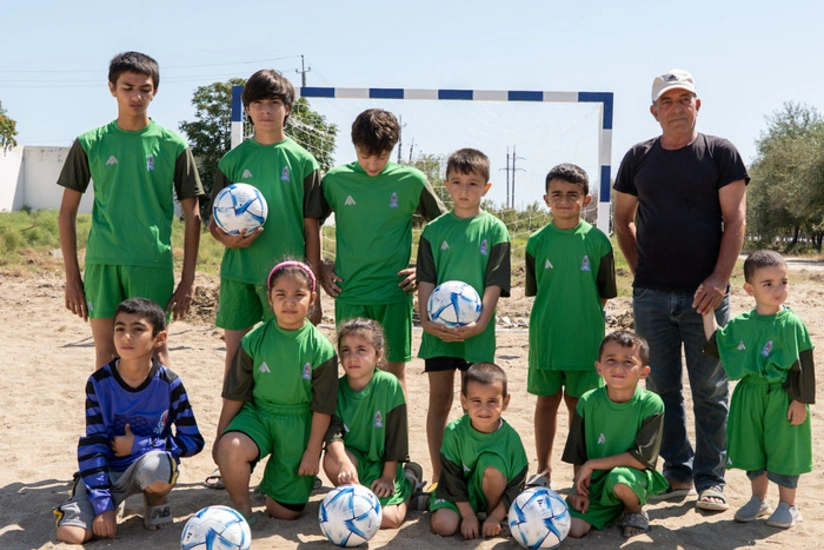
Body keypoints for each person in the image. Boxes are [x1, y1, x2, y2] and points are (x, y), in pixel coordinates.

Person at [613, 69, 749, 510]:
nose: (676, 108)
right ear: (654, 111)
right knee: (660, 388)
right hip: (651, 298)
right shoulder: (638, 158)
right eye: (667, 101)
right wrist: (641, 271)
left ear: (698, 105)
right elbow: (622, 219)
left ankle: (712, 479)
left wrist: (719, 278)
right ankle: (677, 471)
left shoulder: (720, 153)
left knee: (710, 388)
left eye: (684, 99)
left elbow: (736, 219)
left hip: (706, 298)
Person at [57, 51, 204, 370]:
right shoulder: (90, 143)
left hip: (151, 262)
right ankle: (105, 408)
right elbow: (66, 212)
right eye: (127, 88)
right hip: (103, 262)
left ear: (155, 91)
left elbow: (193, 216)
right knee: (107, 354)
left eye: (145, 89)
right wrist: (72, 277)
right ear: (112, 88)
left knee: (155, 353)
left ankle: (163, 408)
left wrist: (188, 281)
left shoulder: (173, 145)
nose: (136, 96)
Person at [209, 69, 324, 394]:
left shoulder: (303, 161)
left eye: (273, 103)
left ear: (287, 108)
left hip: (288, 280)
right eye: (258, 103)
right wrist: (226, 239)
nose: (266, 110)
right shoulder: (233, 160)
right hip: (239, 273)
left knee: (285, 353)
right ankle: (233, 420)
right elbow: (214, 223)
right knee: (237, 355)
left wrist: (313, 284)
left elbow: (312, 227)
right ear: (247, 109)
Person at [54, 298, 205, 544]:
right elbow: (93, 445)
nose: (126, 336)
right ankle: (112, 501)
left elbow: (194, 441)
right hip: (108, 472)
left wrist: (141, 445)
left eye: (137, 329)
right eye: (120, 328)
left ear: (159, 338)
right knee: (71, 535)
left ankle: (156, 500)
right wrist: (103, 507)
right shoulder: (98, 383)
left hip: (149, 468)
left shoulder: (170, 383)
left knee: (158, 468)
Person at [320, 109, 445, 394]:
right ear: (354, 146)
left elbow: (444, 228)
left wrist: (424, 269)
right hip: (350, 292)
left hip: (394, 293)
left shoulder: (411, 180)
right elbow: (309, 223)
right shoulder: (335, 180)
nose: (373, 164)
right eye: (365, 156)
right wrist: (319, 265)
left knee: (393, 376)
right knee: (355, 374)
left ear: (393, 148)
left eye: (382, 156)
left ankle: (394, 427)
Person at [213, 261, 337, 522]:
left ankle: (274, 483)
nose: (289, 302)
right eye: (281, 294)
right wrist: (220, 436)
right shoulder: (253, 340)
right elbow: (235, 394)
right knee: (230, 448)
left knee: (284, 513)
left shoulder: (321, 348)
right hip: (258, 414)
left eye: (298, 294)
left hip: (298, 424)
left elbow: (323, 407)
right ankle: (242, 510)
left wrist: (312, 451)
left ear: (312, 298)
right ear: (269, 298)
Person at [417, 147, 511, 486]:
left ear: (486, 188)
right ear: (446, 185)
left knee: (478, 405)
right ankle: (439, 476)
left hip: (478, 333)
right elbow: (426, 279)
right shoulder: (434, 230)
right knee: (440, 403)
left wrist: (480, 323)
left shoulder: (496, 230)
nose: (464, 190)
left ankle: (472, 473)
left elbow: (494, 282)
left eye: (472, 183)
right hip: (438, 332)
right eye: (456, 182)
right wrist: (426, 320)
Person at [700, 250, 814, 528]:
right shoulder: (742, 324)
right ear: (749, 289)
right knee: (753, 449)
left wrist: (800, 401)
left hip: (783, 396)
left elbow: (805, 365)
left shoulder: (792, 323)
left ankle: (788, 505)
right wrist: (707, 312)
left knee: (784, 449)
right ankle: (758, 500)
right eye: (768, 284)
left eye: (783, 282)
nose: (778, 289)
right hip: (749, 396)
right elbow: (717, 345)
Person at [525, 163, 617, 489]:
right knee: (546, 402)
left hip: (585, 340)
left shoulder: (598, 241)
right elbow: (538, 290)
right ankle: (544, 469)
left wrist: (583, 317)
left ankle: (581, 470)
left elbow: (603, 294)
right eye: (557, 195)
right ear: (546, 199)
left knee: (580, 406)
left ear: (586, 199)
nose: (564, 201)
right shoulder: (536, 242)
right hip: (546, 337)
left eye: (572, 195)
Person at [562, 330, 668, 539]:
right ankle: (613, 512)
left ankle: (633, 511)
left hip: (632, 478)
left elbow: (641, 459)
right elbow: (578, 454)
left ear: (644, 372)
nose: (618, 367)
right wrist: (578, 490)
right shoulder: (587, 402)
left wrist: (592, 464)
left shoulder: (651, 404)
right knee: (573, 529)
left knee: (619, 479)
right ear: (599, 367)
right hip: (595, 484)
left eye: (628, 362)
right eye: (610, 360)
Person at [322, 318, 424, 529]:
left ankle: (409, 482)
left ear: (378, 355)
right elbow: (333, 433)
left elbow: (396, 436)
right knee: (331, 462)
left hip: (384, 465)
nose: (353, 357)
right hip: (355, 461)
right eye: (346, 350)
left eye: (361, 350)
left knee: (389, 520)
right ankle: (362, 494)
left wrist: (388, 477)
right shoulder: (336, 388)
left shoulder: (389, 384)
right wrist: (344, 463)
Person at [429, 362, 528, 540]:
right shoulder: (454, 432)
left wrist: (495, 517)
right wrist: (467, 515)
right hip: (458, 494)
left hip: (493, 498)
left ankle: (489, 516)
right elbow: (451, 478)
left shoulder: (511, 439)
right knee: (443, 525)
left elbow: (517, 484)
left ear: (505, 402)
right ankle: (427, 500)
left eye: (492, 401)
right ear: (464, 401)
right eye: (476, 401)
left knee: (493, 467)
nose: (484, 409)